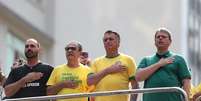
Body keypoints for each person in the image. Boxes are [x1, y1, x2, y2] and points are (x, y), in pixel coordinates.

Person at [135, 28, 191, 101]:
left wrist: (186, 99)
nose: (160, 38)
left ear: (170, 41)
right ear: (155, 42)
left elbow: (186, 82)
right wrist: (159, 64)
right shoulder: (146, 60)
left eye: (163, 37)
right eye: (158, 37)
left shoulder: (178, 59)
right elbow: (138, 77)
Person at [87, 30, 139, 101]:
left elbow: (135, 86)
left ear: (118, 43)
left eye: (111, 39)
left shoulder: (128, 60)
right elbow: (90, 81)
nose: (108, 41)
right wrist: (109, 70)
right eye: (105, 40)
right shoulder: (95, 62)